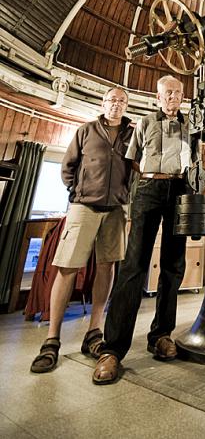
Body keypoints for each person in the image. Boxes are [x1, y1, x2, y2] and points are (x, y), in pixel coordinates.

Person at [92, 74, 190, 385]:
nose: (172, 97)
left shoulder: (193, 125)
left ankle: (161, 335)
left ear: (182, 95)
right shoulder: (145, 123)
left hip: (181, 191)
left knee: (173, 266)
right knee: (133, 266)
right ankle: (113, 350)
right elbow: (132, 160)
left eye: (177, 92)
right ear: (158, 97)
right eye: (167, 93)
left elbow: (198, 161)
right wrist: (148, 183)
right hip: (148, 189)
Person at [30, 87, 133, 373]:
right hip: (83, 206)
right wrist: (77, 192)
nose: (116, 104)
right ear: (103, 103)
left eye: (121, 101)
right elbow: (68, 167)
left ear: (126, 105)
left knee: (107, 267)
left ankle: (94, 334)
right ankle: (52, 341)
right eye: (112, 100)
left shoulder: (131, 134)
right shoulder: (86, 130)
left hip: (115, 210)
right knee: (67, 267)